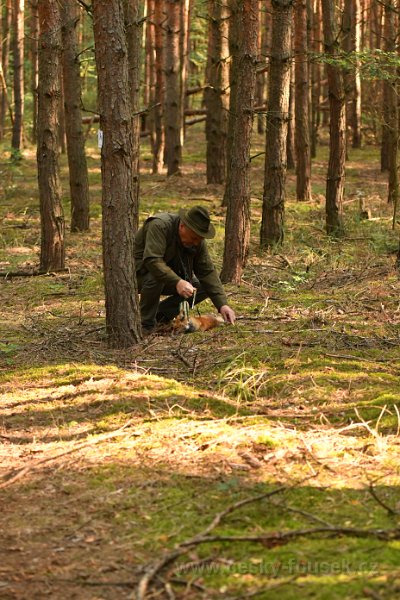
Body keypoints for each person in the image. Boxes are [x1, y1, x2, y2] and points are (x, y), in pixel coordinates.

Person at [135, 205, 236, 333]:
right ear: (182, 226)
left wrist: (222, 305)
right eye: (194, 238)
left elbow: (207, 271)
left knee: (203, 286)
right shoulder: (159, 226)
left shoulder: (196, 240)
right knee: (156, 275)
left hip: (168, 278)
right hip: (138, 276)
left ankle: (160, 315)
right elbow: (152, 261)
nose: (196, 243)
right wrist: (178, 282)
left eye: (199, 240)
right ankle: (146, 325)